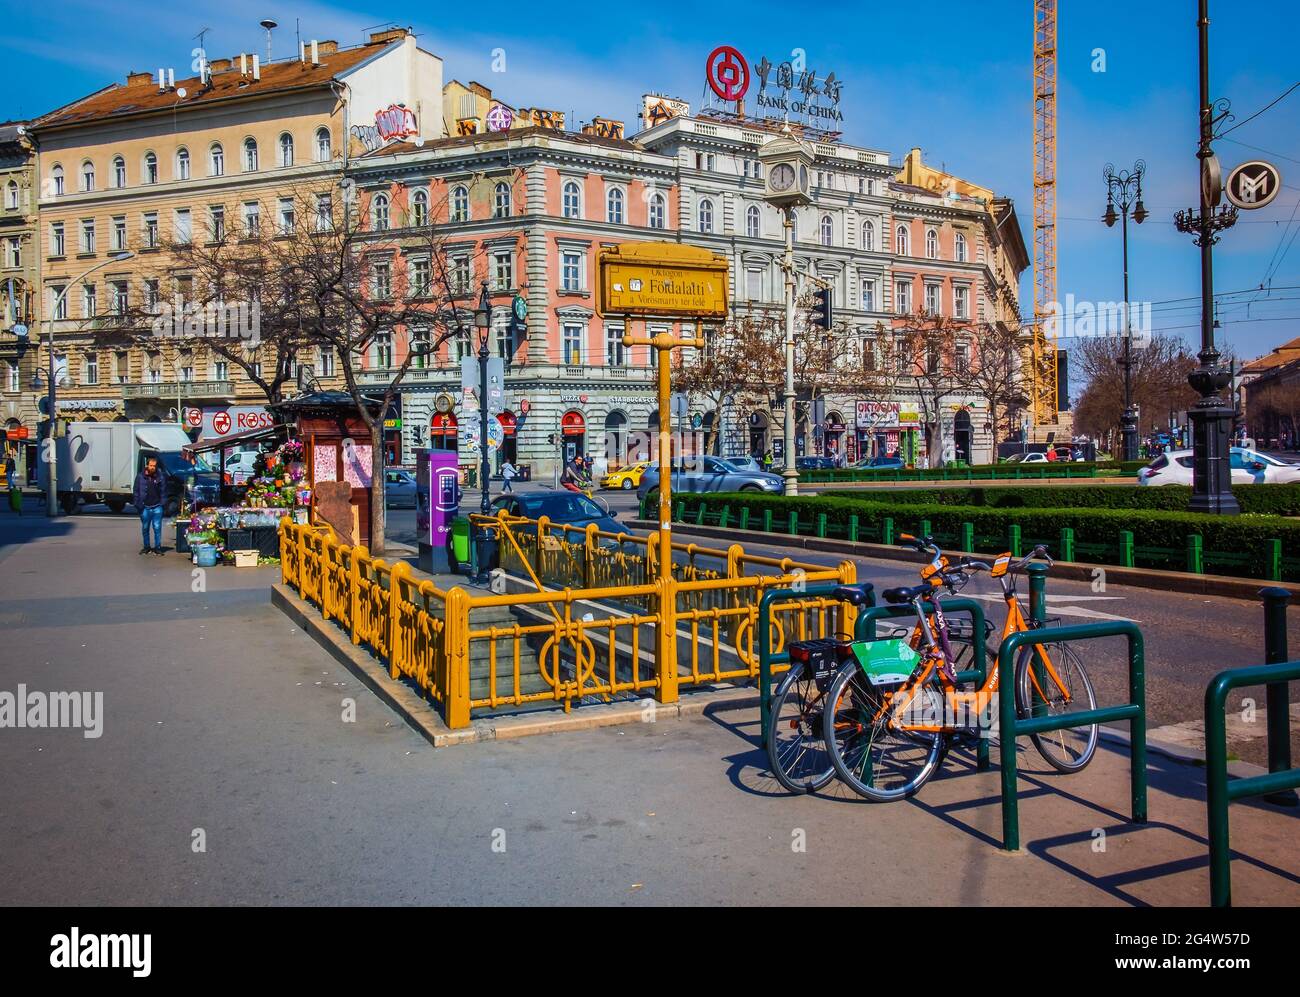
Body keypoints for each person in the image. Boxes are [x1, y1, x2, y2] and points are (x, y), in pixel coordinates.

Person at [133, 456, 167, 555]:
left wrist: (162, 503)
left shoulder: (160, 476)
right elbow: (136, 491)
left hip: (157, 506)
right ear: (147, 465)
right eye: (151, 465)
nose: (152, 467)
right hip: (144, 507)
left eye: (154, 466)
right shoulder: (140, 476)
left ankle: (157, 547)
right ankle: (146, 547)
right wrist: (137, 504)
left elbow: (164, 491)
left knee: (157, 528)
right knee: (145, 528)